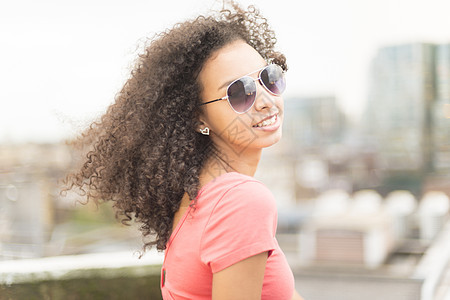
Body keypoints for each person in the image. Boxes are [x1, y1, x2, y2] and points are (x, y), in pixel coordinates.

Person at [64, 1, 303, 299]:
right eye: (239, 92)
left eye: (269, 77)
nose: (266, 100)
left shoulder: (197, 199)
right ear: (197, 117)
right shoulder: (241, 200)